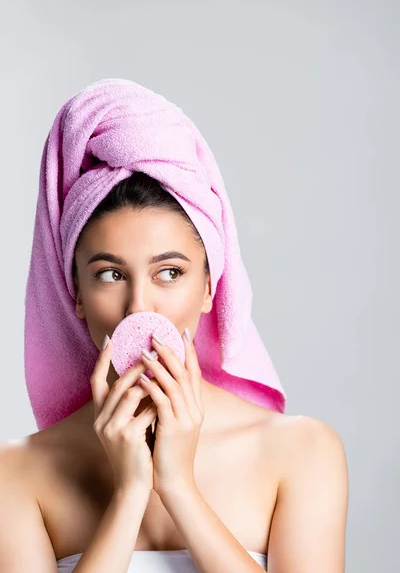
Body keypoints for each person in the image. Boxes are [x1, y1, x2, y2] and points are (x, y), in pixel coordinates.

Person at [0, 84, 349, 573]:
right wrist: (129, 495)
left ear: (210, 288)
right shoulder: (17, 473)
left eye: (170, 272)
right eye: (110, 274)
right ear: (75, 293)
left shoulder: (302, 451)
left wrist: (179, 486)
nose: (139, 306)